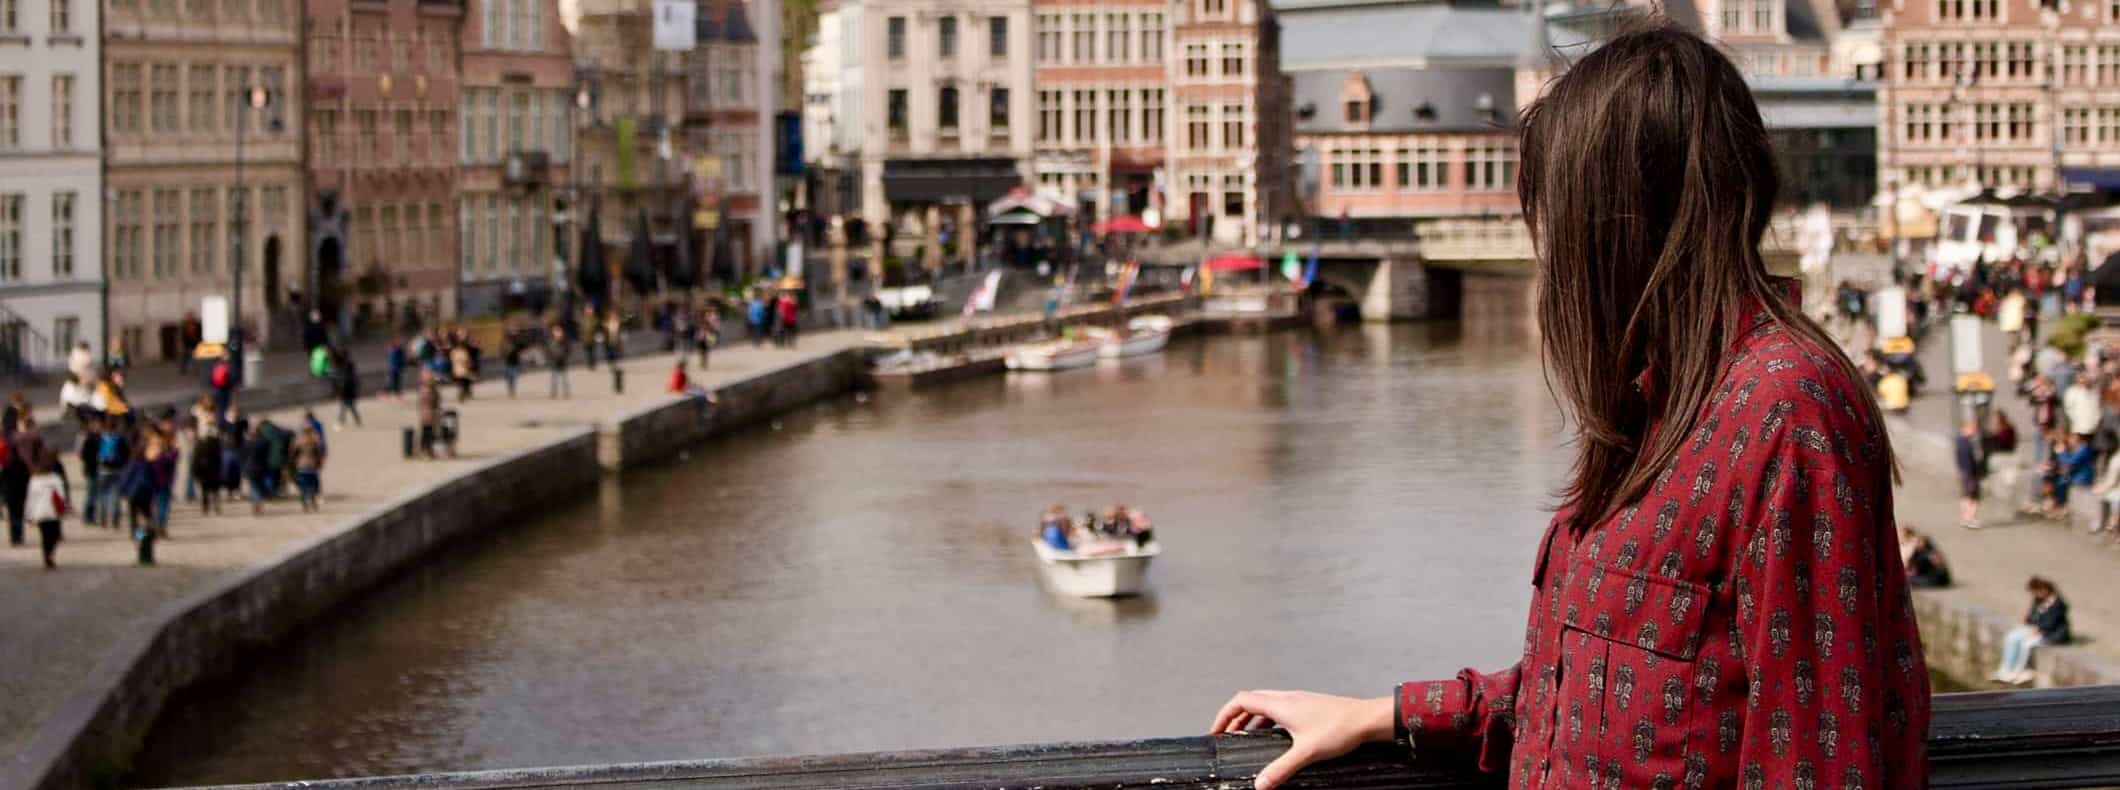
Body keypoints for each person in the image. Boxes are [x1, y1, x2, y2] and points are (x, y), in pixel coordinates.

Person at [1208, 28, 1928, 790]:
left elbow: (1819, 757)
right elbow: (1585, 689)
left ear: (1618, 224)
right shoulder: (1661, 404)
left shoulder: (1786, 414)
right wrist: (1379, 714)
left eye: (1556, 219)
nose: (1549, 257)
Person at [1993, 576, 2071, 685]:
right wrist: (2027, 619)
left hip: (2053, 634)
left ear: (2043, 590)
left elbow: (2052, 623)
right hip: (2037, 629)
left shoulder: (2058, 604)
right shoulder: (2038, 600)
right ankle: (2006, 668)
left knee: (2026, 643)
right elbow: (2033, 616)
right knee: (2012, 637)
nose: (2034, 595)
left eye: (2035, 592)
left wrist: (2039, 629)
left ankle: (2018, 670)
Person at [25, 448, 67, 569]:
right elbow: (61, 496)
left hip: (40, 512)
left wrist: (29, 513)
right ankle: (49, 555)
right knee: (53, 535)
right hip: (52, 512)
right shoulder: (55, 479)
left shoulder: (35, 480)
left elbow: (30, 498)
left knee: (45, 536)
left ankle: (47, 556)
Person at [1956, 418, 1987, 529]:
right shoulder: (1966, 442)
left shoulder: (1959, 440)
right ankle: (1971, 518)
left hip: (1965, 473)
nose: (1975, 430)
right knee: (1973, 496)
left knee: (1965, 495)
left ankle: (1965, 518)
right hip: (1970, 473)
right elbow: (1970, 458)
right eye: (1973, 428)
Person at [291, 425, 325, 512]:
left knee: (303, 486)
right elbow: (318, 454)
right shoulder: (314, 441)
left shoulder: (298, 441)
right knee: (313, 485)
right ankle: (313, 503)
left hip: (301, 466)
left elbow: (293, 454)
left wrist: (294, 463)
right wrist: (319, 464)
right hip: (312, 466)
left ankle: (305, 505)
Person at [335, 349, 362, 427]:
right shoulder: (349, 368)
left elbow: (345, 382)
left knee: (346, 407)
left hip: (347, 392)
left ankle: (341, 421)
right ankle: (357, 421)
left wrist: (341, 391)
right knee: (348, 407)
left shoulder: (346, 368)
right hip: (350, 391)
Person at [547, 324, 572, 399]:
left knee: (564, 378)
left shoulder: (565, 341)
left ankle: (566, 392)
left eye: (559, 331)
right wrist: (550, 357)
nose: (557, 333)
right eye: (555, 331)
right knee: (554, 378)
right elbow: (548, 351)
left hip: (562, 362)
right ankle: (553, 392)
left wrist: (564, 356)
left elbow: (568, 350)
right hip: (554, 362)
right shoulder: (550, 341)